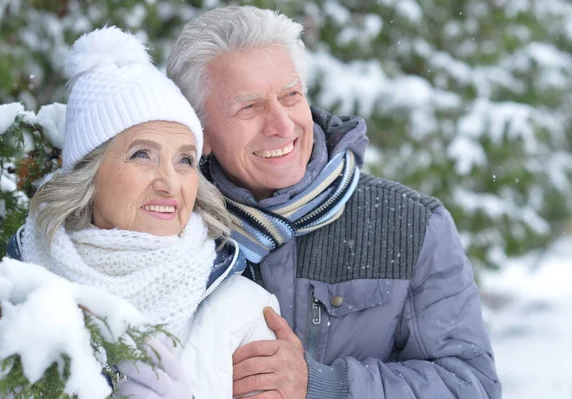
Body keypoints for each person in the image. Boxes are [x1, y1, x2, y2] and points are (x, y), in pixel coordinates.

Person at [166, 5, 502, 398]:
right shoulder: (172, 224)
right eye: (249, 106)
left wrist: (326, 385)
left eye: (290, 96)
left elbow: (471, 386)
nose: (282, 125)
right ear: (199, 131)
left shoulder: (411, 225)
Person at [6, 26, 280, 399]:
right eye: (142, 155)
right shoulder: (13, 291)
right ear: (89, 174)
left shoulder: (245, 312)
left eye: (184, 160)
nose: (170, 182)